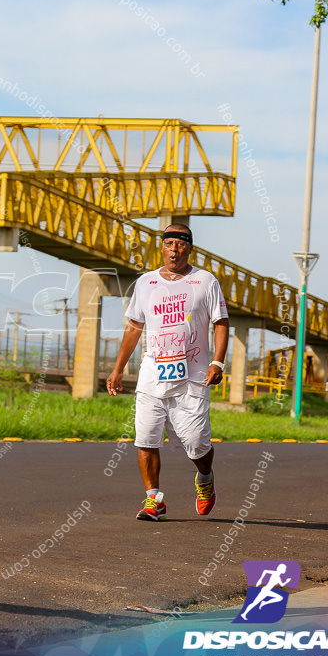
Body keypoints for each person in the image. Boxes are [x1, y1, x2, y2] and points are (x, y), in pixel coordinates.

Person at [106, 223, 229, 521]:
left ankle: (205, 478)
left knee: (197, 443)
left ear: (190, 248)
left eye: (181, 244)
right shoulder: (146, 283)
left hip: (193, 375)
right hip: (153, 373)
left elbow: (221, 322)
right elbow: (135, 326)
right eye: (170, 243)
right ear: (162, 247)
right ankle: (154, 501)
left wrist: (218, 361)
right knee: (146, 438)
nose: (175, 250)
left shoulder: (205, 281)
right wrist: (118, 368)